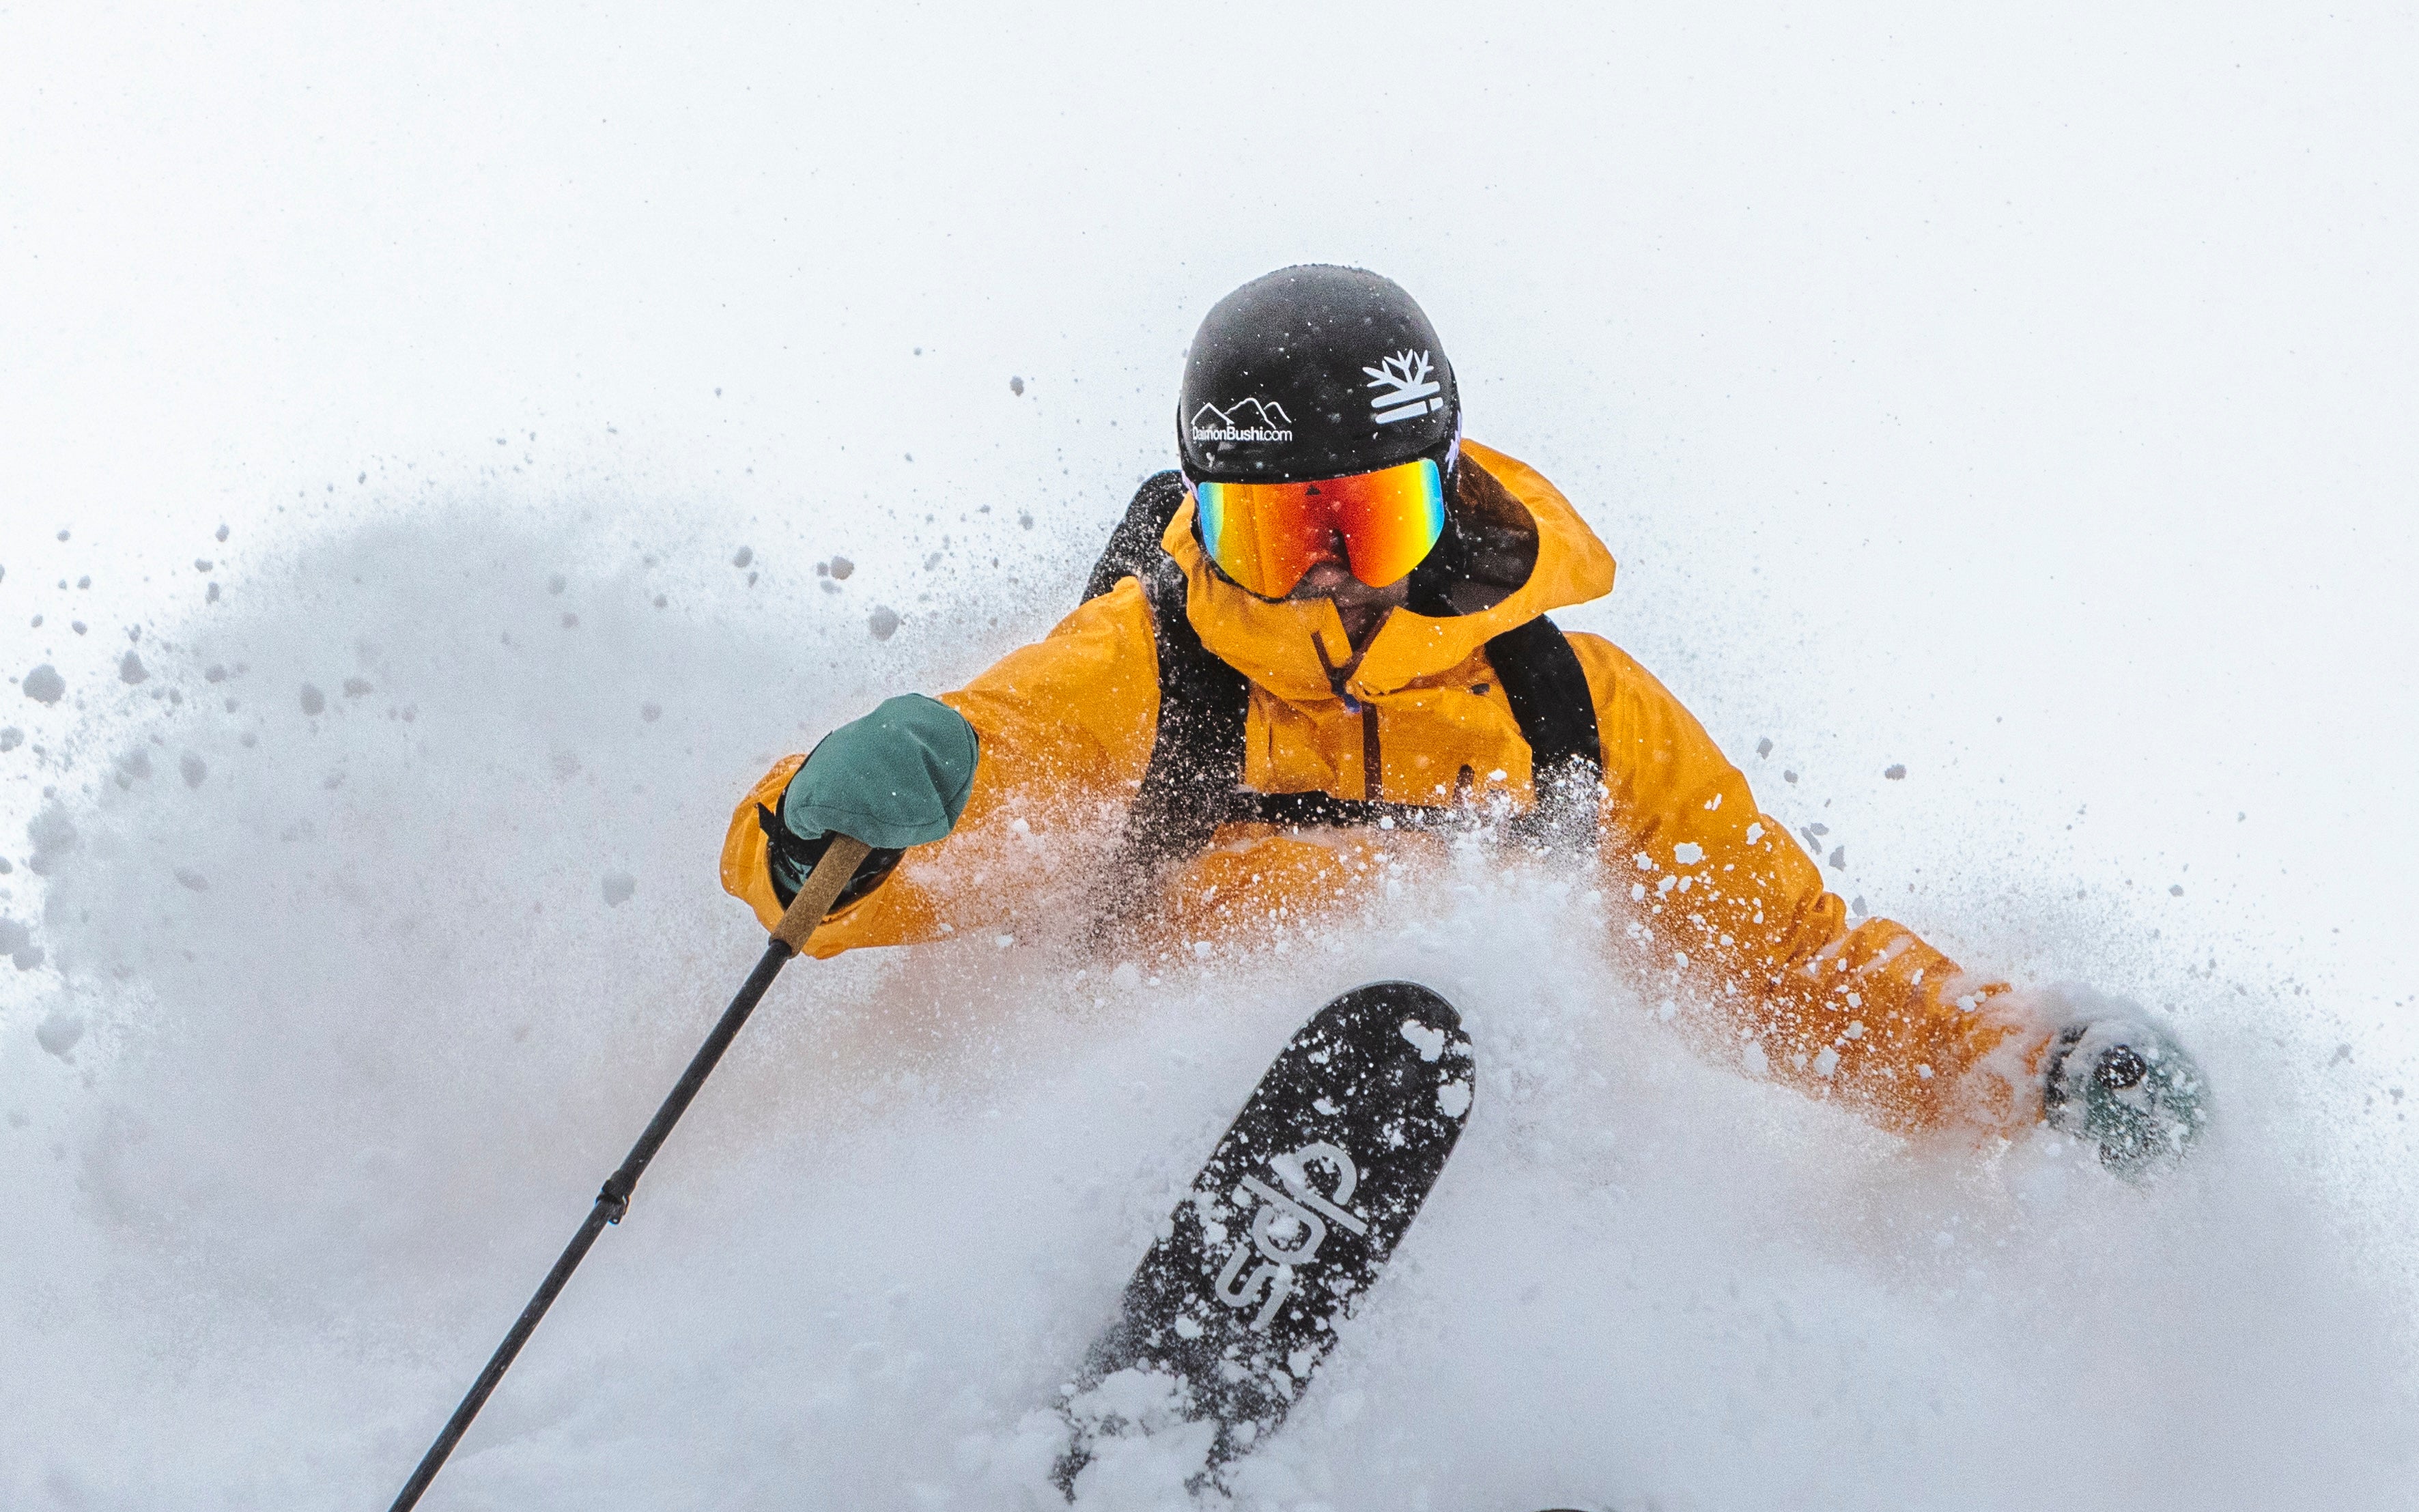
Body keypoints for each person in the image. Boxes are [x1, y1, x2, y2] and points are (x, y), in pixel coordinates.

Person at [722, 264, 2205, 1175]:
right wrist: (813, 830)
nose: (1326, 573)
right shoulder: (1143, 677)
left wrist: (2032, 1071)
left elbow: (1791, 968)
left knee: (1565, 1137)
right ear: (1203, 519)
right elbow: (959, 809)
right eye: (1272, 529)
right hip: (1132, 1149)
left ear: (1444, 495)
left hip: (1477, 1173)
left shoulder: (1574, 717)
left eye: (1366, 518)